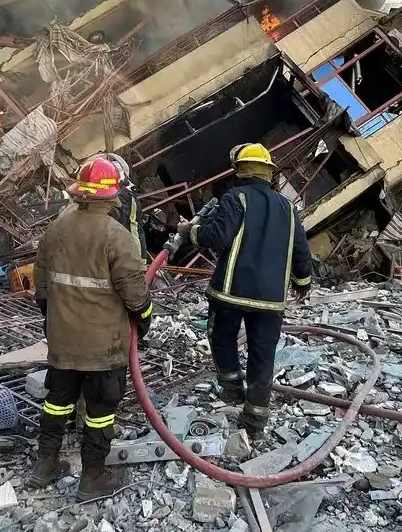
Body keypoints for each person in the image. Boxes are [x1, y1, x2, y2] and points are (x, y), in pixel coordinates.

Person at [30, 156, 153, 500]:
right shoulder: (117, 236)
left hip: (63, 341)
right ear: (113, 195)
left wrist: (55, 318)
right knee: (100, 411)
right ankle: (92, 478)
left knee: (57, 402)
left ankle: (44, 467)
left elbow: (41, 287)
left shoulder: (56, 230)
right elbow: (135, 293)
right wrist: (145, 319)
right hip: (103, 346)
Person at [178, 143, 312, 437]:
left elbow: (216, 236)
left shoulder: (235, 197)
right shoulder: (288, 207)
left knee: (222, 337)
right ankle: (255, 421)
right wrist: (303, 282)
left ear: (239, 170)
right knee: (263, 355)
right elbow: (301, 250)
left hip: (231, 293)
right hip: (271, 301)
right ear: (268, 172)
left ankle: (232, 389)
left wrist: (190, 231)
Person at [105, 153, 148, 259]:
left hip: (129, 254)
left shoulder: (121, 195)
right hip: (132, 252)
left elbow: (119, 222)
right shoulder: (125, 195)